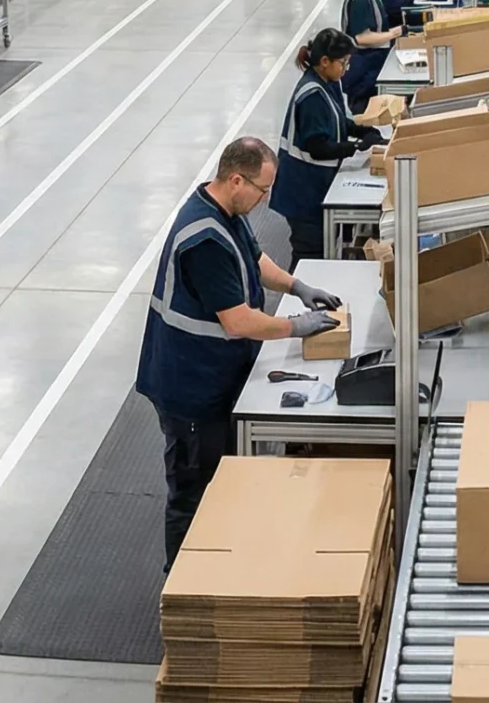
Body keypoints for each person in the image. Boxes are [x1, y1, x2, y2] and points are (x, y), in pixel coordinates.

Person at [135, 139, 344, 562]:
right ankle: (182, 582)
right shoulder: (204, 238)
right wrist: (295, 327)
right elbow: (239, 321)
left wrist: (297, 286)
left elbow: (256, 258)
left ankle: (221, 559)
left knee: (221, 476)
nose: (265, 199)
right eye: (261, 190)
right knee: (193, 489)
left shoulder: (225, 209)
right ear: (235, 179)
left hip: (214, 375)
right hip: (191, 385)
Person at [274, 29, 373, 264]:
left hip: (316, 186)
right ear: (325, 61)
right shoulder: (311, 94)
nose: (346, 69)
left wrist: (360, 129)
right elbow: (317, 147)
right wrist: (355, 147)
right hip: (303, 191)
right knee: (309, 256)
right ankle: (297, 298)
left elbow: (336, 120)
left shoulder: (328, 82)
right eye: (343, 63)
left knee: (318, 249)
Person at [341, 0, 401, 113]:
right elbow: (362, 37)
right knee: (364, 120)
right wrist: (392, 34)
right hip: (362, 71)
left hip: (370, 68)